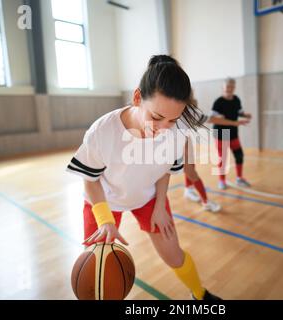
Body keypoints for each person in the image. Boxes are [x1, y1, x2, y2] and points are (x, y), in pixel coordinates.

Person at [66, 55, 221, 300]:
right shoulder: (103, 131)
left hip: (149, 198)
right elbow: (90, 179)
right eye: (157, 117)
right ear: (137, 98)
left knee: (174, 255)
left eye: (173, 119)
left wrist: (160, 206)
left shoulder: (176, 132)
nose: (164, 127)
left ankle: (200, 295)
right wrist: (105, 220)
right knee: (98, 272)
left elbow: (165, 171)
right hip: (103, 202)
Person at [209, 77, 252, 190]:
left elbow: (239, 112)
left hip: (233, 133)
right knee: (223, 159)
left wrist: (245, 115)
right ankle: (222, 181)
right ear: (223, 88)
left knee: (239, 155)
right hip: (221, 133)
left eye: (232, 86)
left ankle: (239, 178)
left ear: (234, 88)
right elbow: (212, 117)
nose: (230, 88)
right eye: (228, 86)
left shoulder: (236, 99)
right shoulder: (218, 102)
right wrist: (218, 116)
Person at [183, 136, 222, 213]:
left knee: (191, 164)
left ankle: (188, 190)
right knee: (193, 175)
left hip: (182, 138)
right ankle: (206, 202)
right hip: (172, 145)